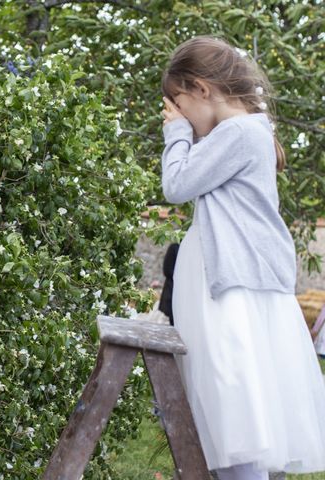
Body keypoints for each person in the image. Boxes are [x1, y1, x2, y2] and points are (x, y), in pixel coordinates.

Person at [160, 36, 325, 480]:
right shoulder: (252, 129)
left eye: (177, 103)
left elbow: (176, 185)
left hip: (228, 292)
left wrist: (175, 133)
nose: (177, 115)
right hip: (234, 285)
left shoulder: (236, 132)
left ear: (201, 89)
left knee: (236, 410)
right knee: (248, 413)